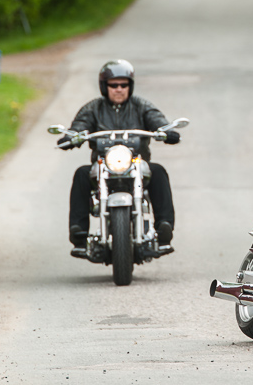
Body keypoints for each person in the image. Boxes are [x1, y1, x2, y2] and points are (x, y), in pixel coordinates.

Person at [58, 59, 180, 258]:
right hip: (103, 165)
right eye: (113, 85)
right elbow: (79, 125)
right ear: (104, 86)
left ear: (130, 86)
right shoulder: (93, 108)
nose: (119, 89)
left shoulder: (141, 105)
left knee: (158, 171)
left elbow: (158, 120)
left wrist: (166, 131)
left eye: (124, 84)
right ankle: (78, 234)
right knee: (81, 174)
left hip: (137, 163)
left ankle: (164, 229)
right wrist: (71, 137)